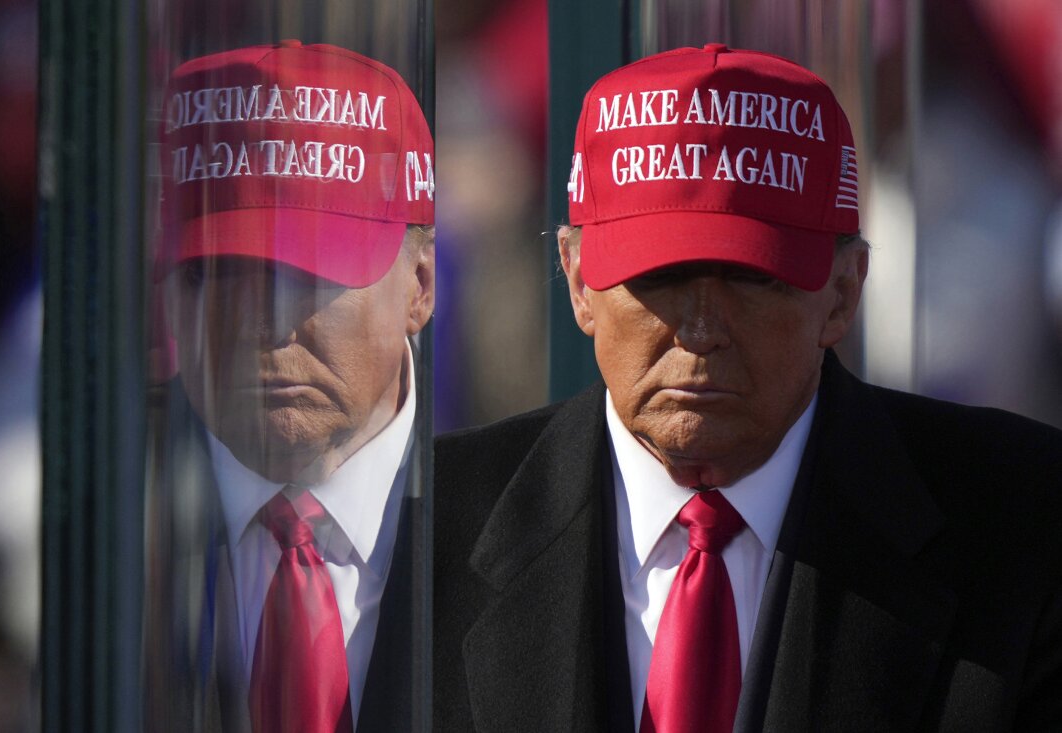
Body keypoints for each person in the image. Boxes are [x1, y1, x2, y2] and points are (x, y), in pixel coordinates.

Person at [434, 44, 1062, 732]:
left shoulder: (1026, 529)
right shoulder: (421, 535)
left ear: (844, 292)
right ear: (580, 282)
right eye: (659, 277)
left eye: (754, 278)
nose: (701, 329)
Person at [144, 41, 435, 733]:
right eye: (219, 275)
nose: (267, 327)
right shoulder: (82, 531)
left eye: (312, 276)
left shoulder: (541, 519)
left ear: (419, 285)